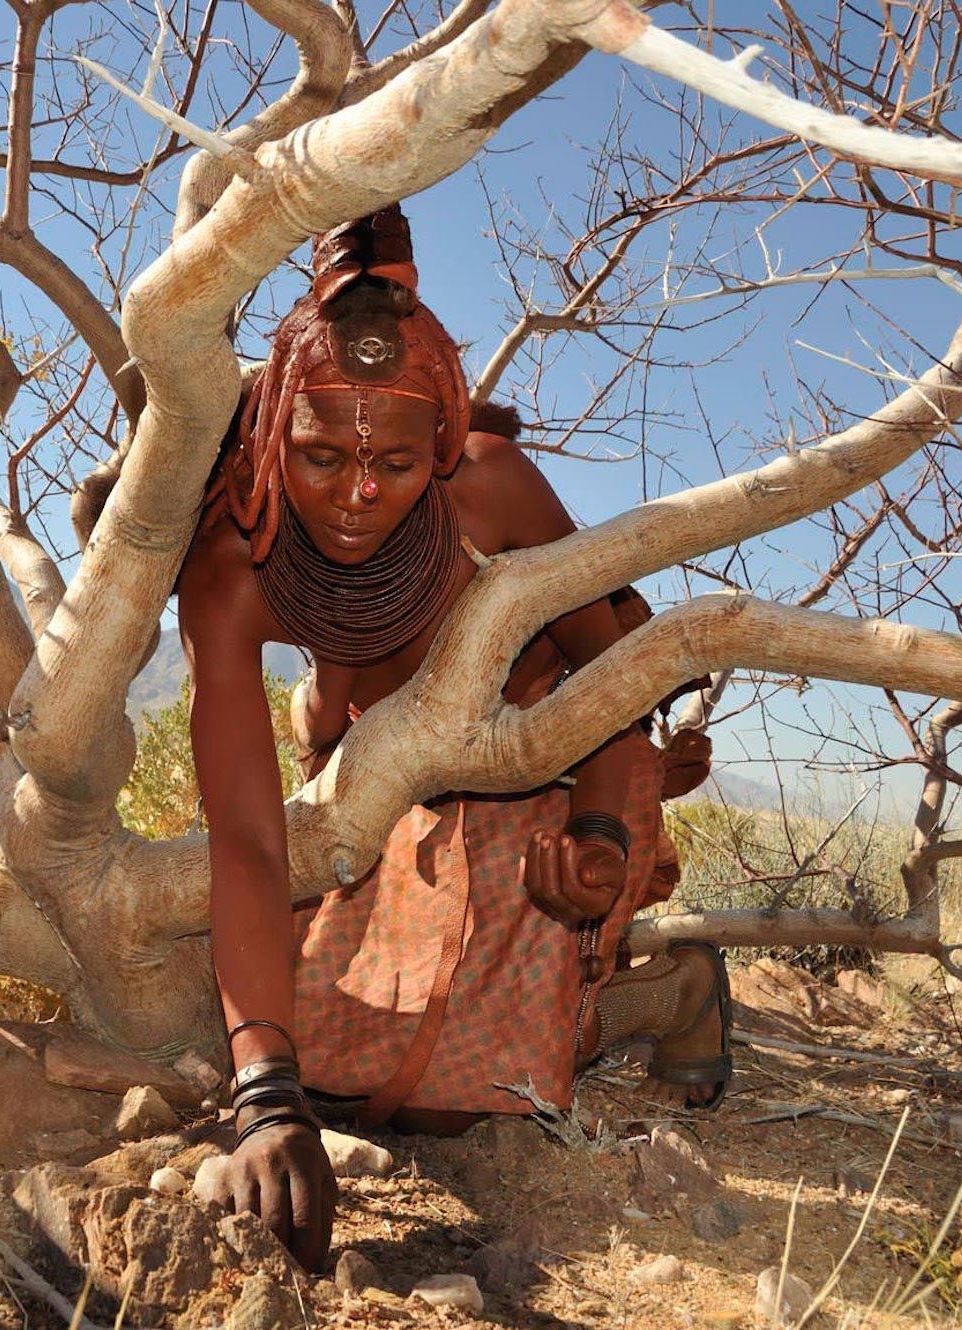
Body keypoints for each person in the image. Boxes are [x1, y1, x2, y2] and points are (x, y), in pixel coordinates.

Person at [175, 205, 731, 1272]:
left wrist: (603, 837)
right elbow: (242, 840)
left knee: (460, 1100)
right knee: (326, 1067)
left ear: (440, 440)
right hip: (384, 801)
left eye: (391, 458)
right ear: (271, 426)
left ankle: (673, 988)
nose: (356, 492)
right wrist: (263, 1098)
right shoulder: (230, 564)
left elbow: (611, 680)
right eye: (321, 453)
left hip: (552, 795)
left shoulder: (492, 489)